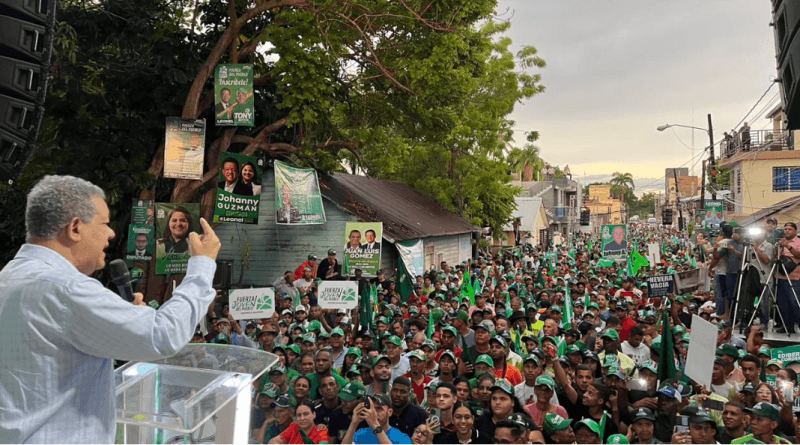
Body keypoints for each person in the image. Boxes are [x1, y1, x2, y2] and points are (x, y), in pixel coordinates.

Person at [0, 175, 221, 443]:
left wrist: (121, 320)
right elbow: (164, 334)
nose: (112, 233)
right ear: (75, 228)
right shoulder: (66, 289)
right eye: (104, 224)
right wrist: (202, 266)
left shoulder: (9, 278)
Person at [344, 393, 412, 444]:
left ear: (390, 412)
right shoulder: (361, 433)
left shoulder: (402, 438)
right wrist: (353, 423)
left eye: (379, 408)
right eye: (372, 408)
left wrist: (375, 425)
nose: (374, 413)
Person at [776, 222, 800, 334]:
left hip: (795, 277)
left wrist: (788, 246)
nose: (787, 231)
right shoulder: (780, 242)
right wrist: (779, 248)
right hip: (781, 276)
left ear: (795, 231)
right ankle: (787, 326)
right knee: (782, 303)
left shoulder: (799, 242)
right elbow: (775, 257)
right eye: (785, 229)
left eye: (790, 229)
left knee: (795, 302)